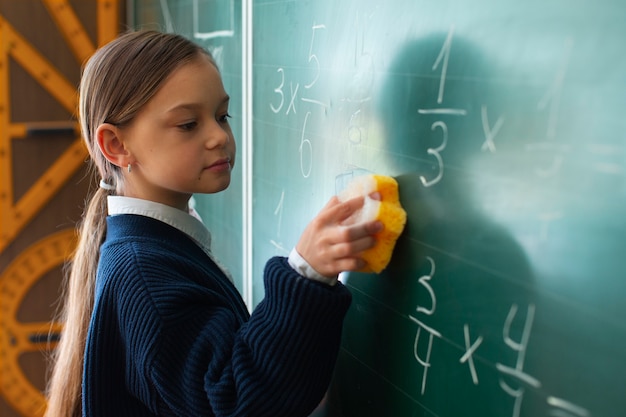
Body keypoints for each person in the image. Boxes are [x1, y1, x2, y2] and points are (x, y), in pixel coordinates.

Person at [44, 30, 382, 417]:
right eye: (188, 124)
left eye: (222, 116)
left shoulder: (156, 245)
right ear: (117, 146)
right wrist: (305, 275)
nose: (219, 136)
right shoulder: (145, 275)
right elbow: (236, 401)